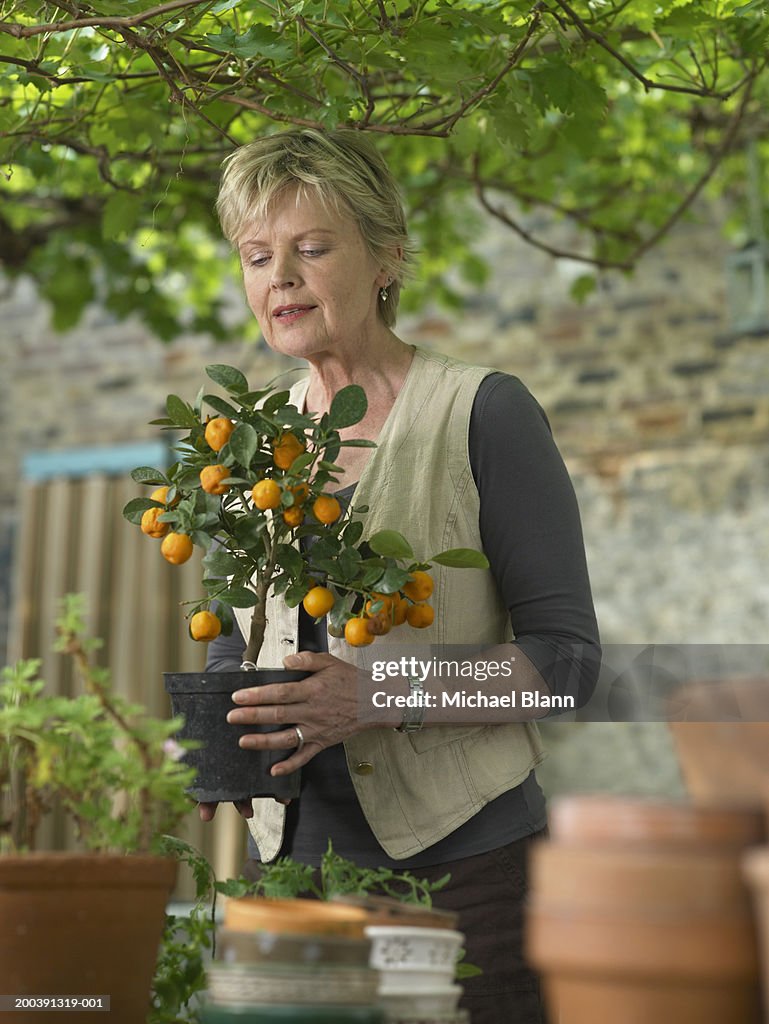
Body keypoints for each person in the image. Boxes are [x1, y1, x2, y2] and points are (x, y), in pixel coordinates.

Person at [202, 127, 601, 1024]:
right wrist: (216, 744)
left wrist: (376, 691)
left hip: (466, 878)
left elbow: (568, 663)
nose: (281, 279)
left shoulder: (482, 413)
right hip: (290, 871)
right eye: (258, 256)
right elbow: (239, 635)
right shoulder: (250, 437)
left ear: (385, 258)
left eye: (311, 248)